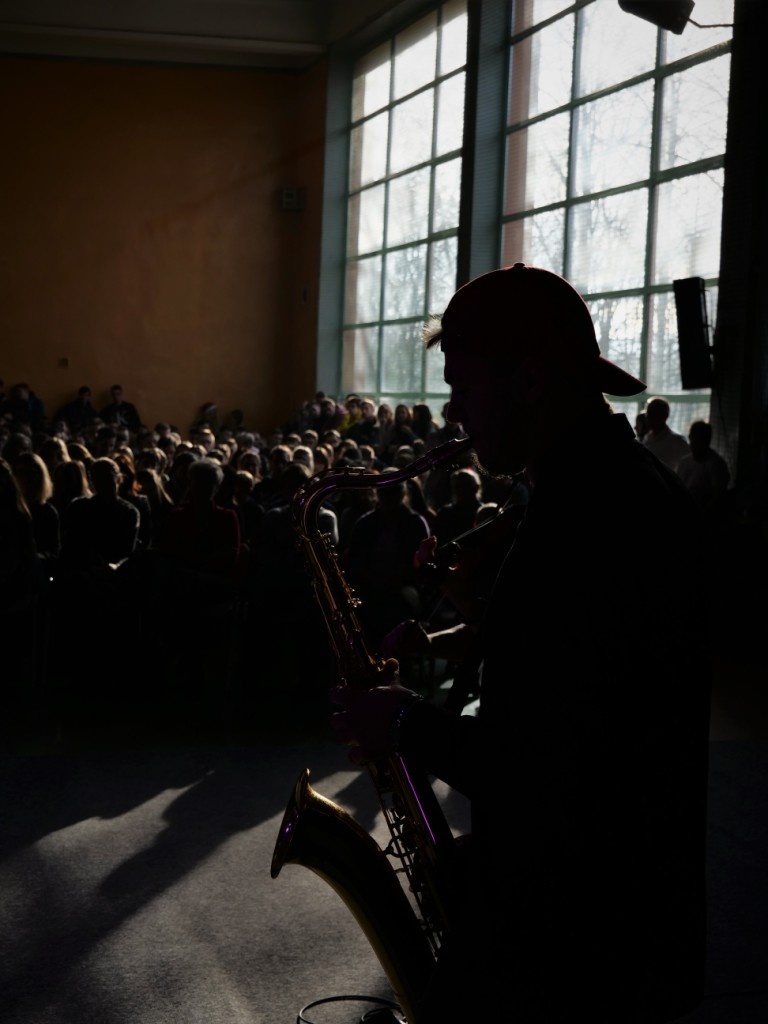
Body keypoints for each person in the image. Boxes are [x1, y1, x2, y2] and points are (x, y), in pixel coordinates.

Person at [328, 263, 712, 1024]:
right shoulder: (602, 490)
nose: (454, 413)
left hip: (583, 949)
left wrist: (400, 720)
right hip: (593, 914)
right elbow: (582, 709)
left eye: (463, 387)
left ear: (531, 380)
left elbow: (537, 761)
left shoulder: (596, 516)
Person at [676, 419, 731, 521]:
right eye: (692, 439)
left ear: (706, 441)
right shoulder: (684, 462)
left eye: (697, 440)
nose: (693, 444)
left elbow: (718, 496)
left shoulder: (716, 464)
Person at [641, 395, 691, 471]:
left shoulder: (677, 441)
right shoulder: (646, 438)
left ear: (664, 416)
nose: (648, 417)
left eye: (652, 414)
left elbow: (689, 466)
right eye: (648, 414)